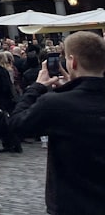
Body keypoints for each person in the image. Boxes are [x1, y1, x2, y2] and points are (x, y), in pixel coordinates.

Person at [9, 30, 105, 215]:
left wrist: (36, 88)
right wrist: (71, 87)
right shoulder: (60, 102)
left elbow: (16, 124)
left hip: (72, 203)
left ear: (72, 61)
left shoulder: (55, 104)